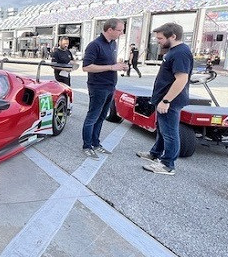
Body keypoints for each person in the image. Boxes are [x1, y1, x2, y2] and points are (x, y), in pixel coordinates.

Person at [137, 23, 193, 175]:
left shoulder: (180, 53)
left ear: (173, 36)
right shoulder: (174, 51)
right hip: (163, 99)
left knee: (169, 132)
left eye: (160, 38)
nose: (157, 41)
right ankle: (155, 154)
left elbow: (181, 79)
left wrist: (166, 100)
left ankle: (168, 164)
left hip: (169, 101)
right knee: (162, 130)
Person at [81, 18, 128, 159]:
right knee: (93, 117)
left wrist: (118, 65)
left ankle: (96, 143)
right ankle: (87, 146)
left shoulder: (113, 43)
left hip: (110, 85)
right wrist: (111, 67)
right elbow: (86, 67)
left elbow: (109, 63)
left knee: (102, 117)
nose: (122, 33)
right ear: (110, 30)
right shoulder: (94, 45)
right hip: (98, 87)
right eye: (120, 30)